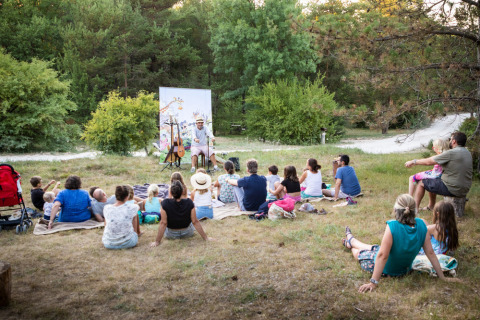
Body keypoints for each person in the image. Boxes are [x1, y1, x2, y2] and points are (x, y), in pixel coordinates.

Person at [342, 194, 455, 293]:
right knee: (374, 248)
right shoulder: (422, 224)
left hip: (388, 270)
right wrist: (442, 277)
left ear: (396, 209)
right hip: (405, 270)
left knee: (359, 253)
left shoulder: (392, 226)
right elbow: (430, 253)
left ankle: (350, 244)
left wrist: (373, 282)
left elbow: (382, 256)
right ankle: (351, 240)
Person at [405, 131, 473, 212]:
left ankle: (414, 210)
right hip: (465, 188)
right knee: (432, 181)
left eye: (450, 139)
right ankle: (431, 206)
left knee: (421, 183)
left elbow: (429, 161)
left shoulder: (452, 153)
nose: (449, 142)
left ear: (454, 141)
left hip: (453, 188)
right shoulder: (467, 152)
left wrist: (414, 161)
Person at [150, 181, 212, 246]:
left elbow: (163, 223)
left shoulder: (165, 203)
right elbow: (195, 221)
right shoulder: (189, 202)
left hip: (171, 234)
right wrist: (206, 238)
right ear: (182, 192)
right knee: (191, 222)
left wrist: (157, 242)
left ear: (170, 192)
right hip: (187, 233)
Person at [102, 185, 141, 250]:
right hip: (128, 242)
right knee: (135, 214)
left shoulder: (107, 208)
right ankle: (136, 233)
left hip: (108, 243)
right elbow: (138, 207)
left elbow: (105, 224)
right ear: (127, 196)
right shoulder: (133, 207)